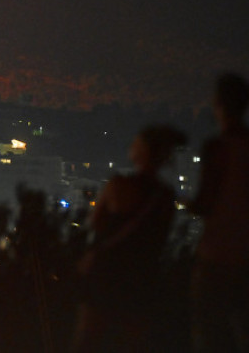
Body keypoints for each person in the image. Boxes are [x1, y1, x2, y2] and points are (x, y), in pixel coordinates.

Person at [71, 124, 186, 352]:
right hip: (142, 276)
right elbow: (161, 238)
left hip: (106, 272)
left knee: (89, 336)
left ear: (141, 151)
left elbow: (95, 224)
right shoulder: (165, 196)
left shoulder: (118, 185)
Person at [189, 73, 249, 352]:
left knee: (211, 331)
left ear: (219, 105)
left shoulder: (218, 148)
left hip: (218, 255)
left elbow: (204, 202)